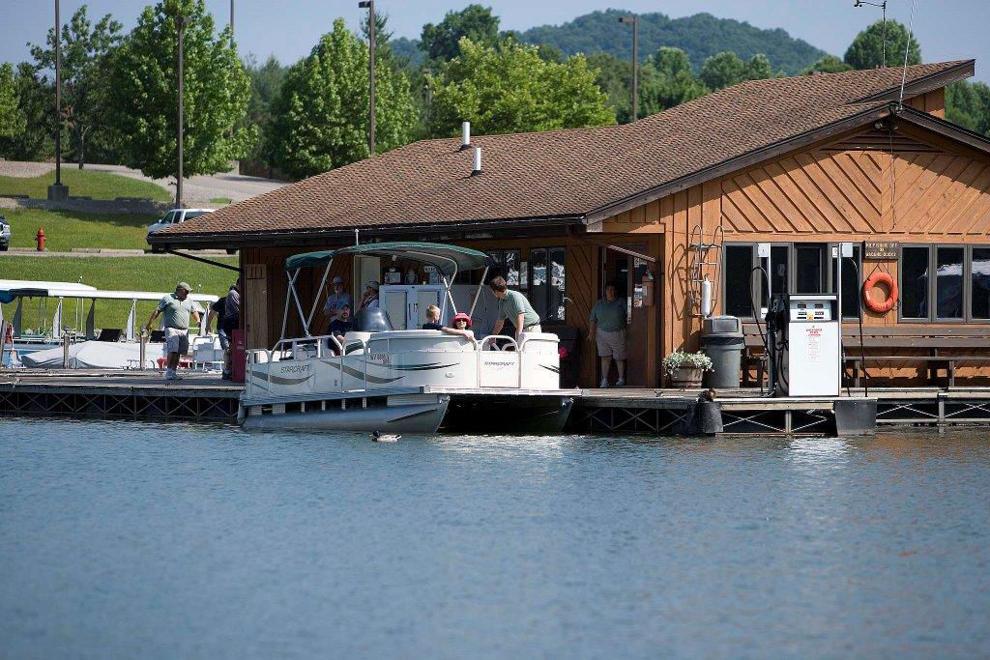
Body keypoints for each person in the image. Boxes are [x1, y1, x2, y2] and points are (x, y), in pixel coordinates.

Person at [145, 282, 203, 381]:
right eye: (186, 291)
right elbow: (157, 311)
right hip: (171, 329)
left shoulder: (189, 300)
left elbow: (194, 311)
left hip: (184, 330)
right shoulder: (167, 298)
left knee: (179, 352)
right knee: (173, 350)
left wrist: (197, 320)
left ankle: (173, 371)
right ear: (180, 290)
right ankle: (169, 372)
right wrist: (150, 323)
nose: (188, 293)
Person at [589, 283, 627, 387]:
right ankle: (604, 380)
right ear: (605, 291)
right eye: (608, 289)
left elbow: (629, 315)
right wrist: (591, 333)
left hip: (618, 332)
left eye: (613, 289)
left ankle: (621, 379)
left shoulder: (621, 302)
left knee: (619, 357)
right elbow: (592, 319)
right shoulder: (599, 304)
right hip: (602, 334)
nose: (611, 292)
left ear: (615, 291)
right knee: (605, 357)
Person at [489, 276, 540, 341]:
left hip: (532, 328)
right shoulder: (502, 301)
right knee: (519, 349)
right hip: (521, 328)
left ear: (495, 291)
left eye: (491, 291)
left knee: (529, 350)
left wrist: (519, 333)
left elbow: (521, 315)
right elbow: (500, 321)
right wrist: (493, 336)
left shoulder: (514, 296)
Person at [220, 279, 240, 380]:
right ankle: (227, 370)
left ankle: (229, 370)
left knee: (232, 347)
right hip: (231, 322)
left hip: (232, 322)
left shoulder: (235, 293)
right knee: (231, 348)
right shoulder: (233, 293)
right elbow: (238, 309)